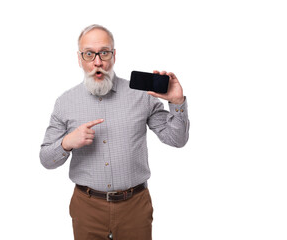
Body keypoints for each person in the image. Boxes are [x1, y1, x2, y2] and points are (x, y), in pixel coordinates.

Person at [40, 24, 190, 240]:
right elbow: (46, 159)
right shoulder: (65, 103)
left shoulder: (142, 95)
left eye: (104, 52)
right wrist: (67, 142)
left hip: (135, 208)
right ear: (79, 59)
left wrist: (177, 103)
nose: (97, 61)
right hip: (87, 208)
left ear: (114, 55)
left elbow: (177, 139)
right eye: (89, 54)